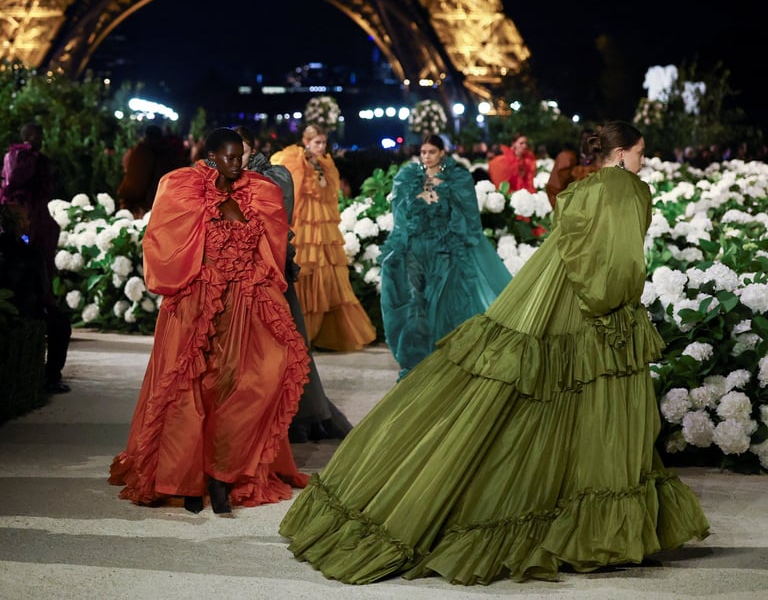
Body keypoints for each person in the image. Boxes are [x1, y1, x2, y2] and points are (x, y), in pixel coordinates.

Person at [279, 121, 709, 585]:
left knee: (530, 394)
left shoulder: (584, 188)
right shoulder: (626, 187)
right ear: (621, 154)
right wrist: (617, 311)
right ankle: (598, 529)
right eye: (641, 152)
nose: (643, 161)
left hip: (550, 291)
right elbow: (621, 262)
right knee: (597, 407)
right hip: (594, 308)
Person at [108, 127, 311, 515]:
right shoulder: (182, 187)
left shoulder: (260, 191)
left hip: (245, 301)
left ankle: (223, 472)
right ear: (211, 156)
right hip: (196, 301)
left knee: (254, 377)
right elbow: (164, 242)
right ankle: (186, 479)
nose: (238, 164)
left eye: (242, 156)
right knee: (191, 386)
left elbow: (272, 250)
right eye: (230, 157)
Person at [234, 126, 352, 444]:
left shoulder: (274, 175)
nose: (235, 158)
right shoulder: (228, 175)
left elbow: (276, 218)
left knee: (282, 344)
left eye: (241, 151)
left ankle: (290, 416)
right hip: (237, 275)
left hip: (270, 271)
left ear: (253, 150)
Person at [380, 134, 512, 382]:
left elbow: (470, 218)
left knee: (443, 306)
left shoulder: (458, 180)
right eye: (423, 151)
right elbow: (401, 218)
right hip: (417, 251)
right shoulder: (408, 179)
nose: (426, 156)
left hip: (446, 252)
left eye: (431, 151)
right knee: (417, 306)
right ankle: (423, 362)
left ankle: (445, 362)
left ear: (442, 152)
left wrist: (461, 242)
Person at [270, 124, 376, 352]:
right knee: (306, 272)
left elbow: (330, 192)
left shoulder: (325, 163)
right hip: (304, 224)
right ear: (305, 141)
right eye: (316, 142)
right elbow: (288, 192)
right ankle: (301, 333)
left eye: (323, 143)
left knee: (327, 272)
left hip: (323, 224)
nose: (321, 147)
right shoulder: (293, 159)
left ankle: (322, 333)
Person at [0, 122, 71, 395]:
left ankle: (51, 376)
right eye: (36, 135)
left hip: (33, 291)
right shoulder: (4, 240)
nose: (40, 139)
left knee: (59, 322)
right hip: (15, 301)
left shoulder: (37, 231)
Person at [117, 123, 187, 218]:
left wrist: (126, 199)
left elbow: (135, 180)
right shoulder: (170, 153)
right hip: (166, 204)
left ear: (146, 135)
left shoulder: (141, 151)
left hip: (143, 206)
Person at [545, 128, 598, 208]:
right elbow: (556, 186)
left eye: (590, 140)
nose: (587, 143)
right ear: (580, 140)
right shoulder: (570, 158)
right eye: (584, 139)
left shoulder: (600, 160)